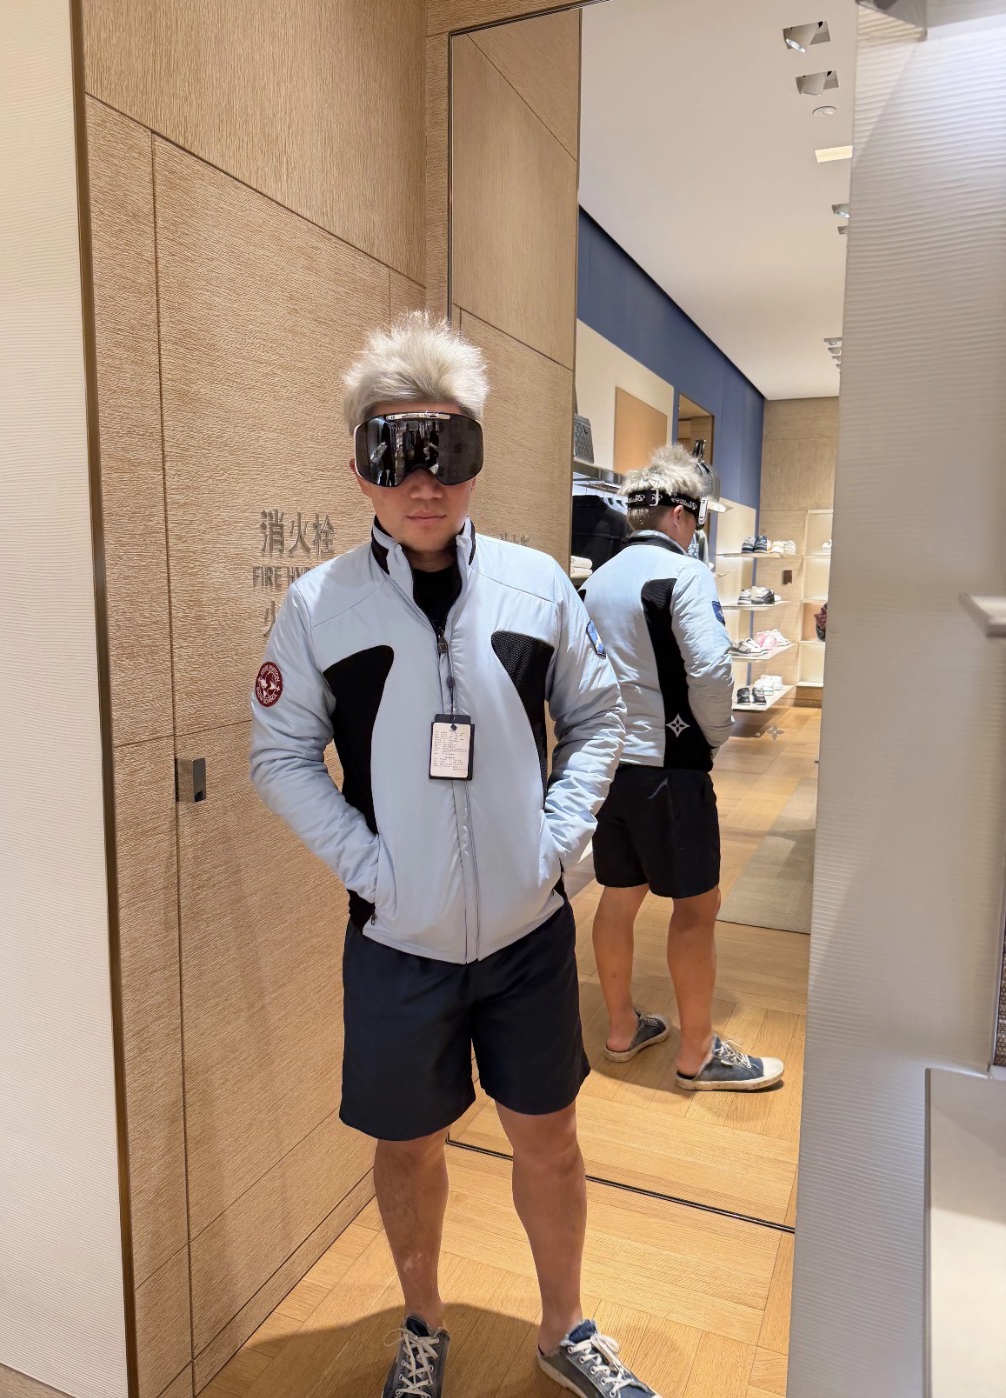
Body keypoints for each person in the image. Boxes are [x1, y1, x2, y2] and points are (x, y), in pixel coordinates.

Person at [251, 313, 662, 1398]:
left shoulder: (536, 586)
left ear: (477, 457)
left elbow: (600, 717)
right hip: (398, 943)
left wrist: (556, 843)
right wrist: (373, 869)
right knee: (408, 1146)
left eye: (449, 447)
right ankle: (423, 1325)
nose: (423, 480)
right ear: (359, 467)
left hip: (527, 938)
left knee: (550, 1139)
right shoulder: (320, 607)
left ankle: (563, 1327)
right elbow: (280, 754)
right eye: (395, 451)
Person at [581, 446, 784, 1092]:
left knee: (619, 896)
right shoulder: (685, 574)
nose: (694, 532)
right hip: (670, 768)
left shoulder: (598, 579)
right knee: (698, 907)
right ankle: (697, 1051)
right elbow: (713, 670)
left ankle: (621, 1028)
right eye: (695, 519)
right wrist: (714, 736)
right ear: (678, 515)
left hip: (611, 765)